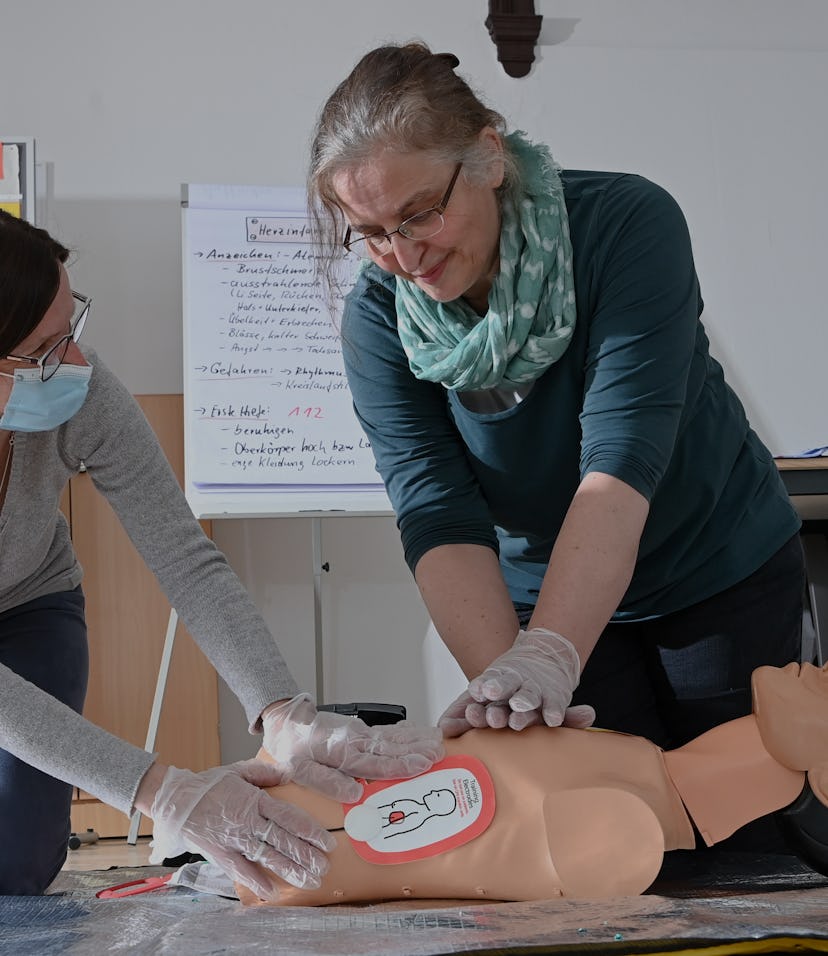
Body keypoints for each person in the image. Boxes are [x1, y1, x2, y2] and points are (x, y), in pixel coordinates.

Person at [307, 43, 804, 763]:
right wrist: (508, 683)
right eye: (374, 233)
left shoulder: (625, 226)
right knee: (596, 825)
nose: (405, 257)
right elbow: (437, 511)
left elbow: (622, 456)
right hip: (539, 595)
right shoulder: (379, 319)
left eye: (420, 215)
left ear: (488, 156)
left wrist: (550, 650)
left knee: (746, 823)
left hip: (711, 567)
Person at [0, 209, 443, 897]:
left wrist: (281, 712)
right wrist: (164, 793)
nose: (78, 363)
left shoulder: (81, 394)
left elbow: (184, 557)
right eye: (48, 349)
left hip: (29, 597)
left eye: (74, 328)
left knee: (17, 861)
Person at [238, 661, 828, 907]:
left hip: (282, 855)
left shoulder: (630, 838)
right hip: (277, 816)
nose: (819, 672)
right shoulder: (643, 776)